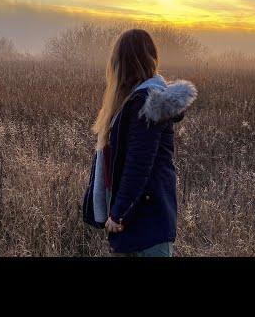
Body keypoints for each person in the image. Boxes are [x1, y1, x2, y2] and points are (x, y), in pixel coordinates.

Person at [82, 28, 197, 257]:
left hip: (145, 220)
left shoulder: (146, 102)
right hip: (140, 218)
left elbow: (138, 164)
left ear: (123, 62)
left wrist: (119, 213)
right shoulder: (132, 101)